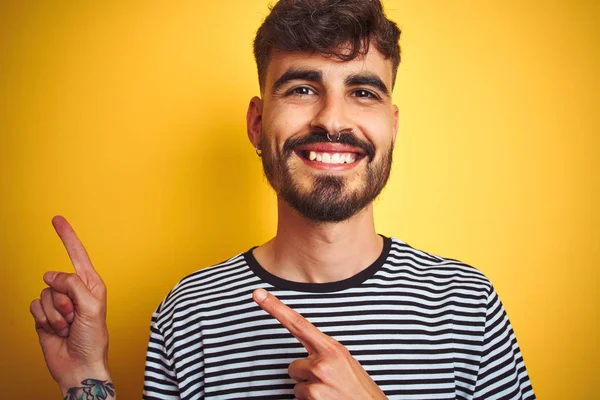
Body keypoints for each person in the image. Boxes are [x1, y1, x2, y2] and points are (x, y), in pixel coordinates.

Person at [30, 0, 536, 399]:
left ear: (393, 127)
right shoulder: (188, 317)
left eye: (363, 92)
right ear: (256, 122)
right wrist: (86, 377)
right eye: (300, 89)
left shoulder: (468, 306)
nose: (333, 120)